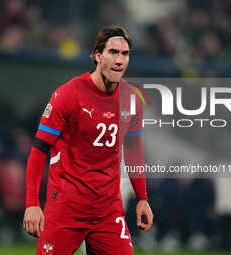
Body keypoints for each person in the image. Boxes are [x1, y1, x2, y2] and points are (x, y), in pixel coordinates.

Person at [23, 25, 153, 255]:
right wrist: (32, 204)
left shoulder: (133, 99)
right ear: (97, 55)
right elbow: (39, 149)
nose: (120, 60)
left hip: (107, 210)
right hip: (66, 208)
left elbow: (133, 151)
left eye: (125, 54)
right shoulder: (67, 95)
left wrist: (142, 198)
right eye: (113, 52)